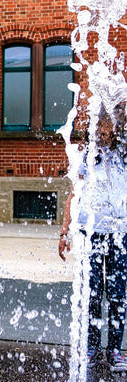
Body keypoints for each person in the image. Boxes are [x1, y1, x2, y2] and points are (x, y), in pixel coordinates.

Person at [60, 107, 127, 371]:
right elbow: (74, 196)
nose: (105, 130)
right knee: (93, 294)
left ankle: (114, 352)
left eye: (110, 124)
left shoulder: (124, 156)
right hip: (92, 233)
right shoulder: (87, 157)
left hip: (121, 235)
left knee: (118, 295)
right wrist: (65, 232)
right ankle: (92, 348)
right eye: (101, 124)